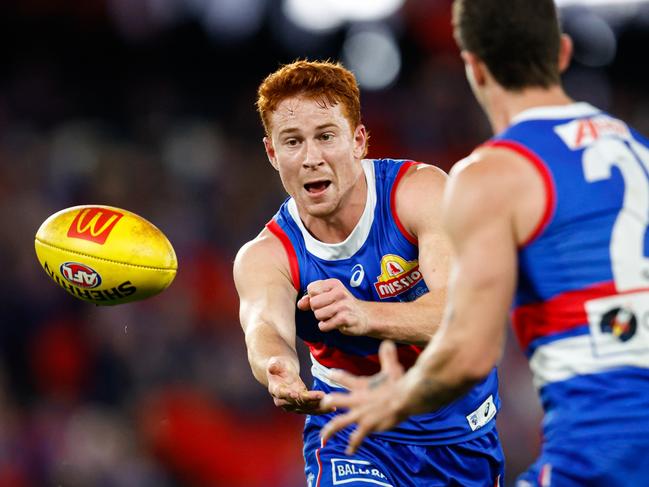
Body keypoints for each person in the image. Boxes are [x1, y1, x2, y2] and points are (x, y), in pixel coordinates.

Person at [320, 1, 649, 486]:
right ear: (562, 52)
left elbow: (472, 353)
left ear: (472, 65)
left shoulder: (492, 173)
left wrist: (396, 397)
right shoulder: (637, 149)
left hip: (600, 443)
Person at [233, 59, 504, 486]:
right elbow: (265, 326)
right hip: (354, 436)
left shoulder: (420, 193)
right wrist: (277, 367)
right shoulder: (265, 255)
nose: (310, 159)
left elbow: (465, 311)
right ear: (272, 153)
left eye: (325, 137)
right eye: (292, 142)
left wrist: (366, 315)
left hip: (459, 434)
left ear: (358, 141)